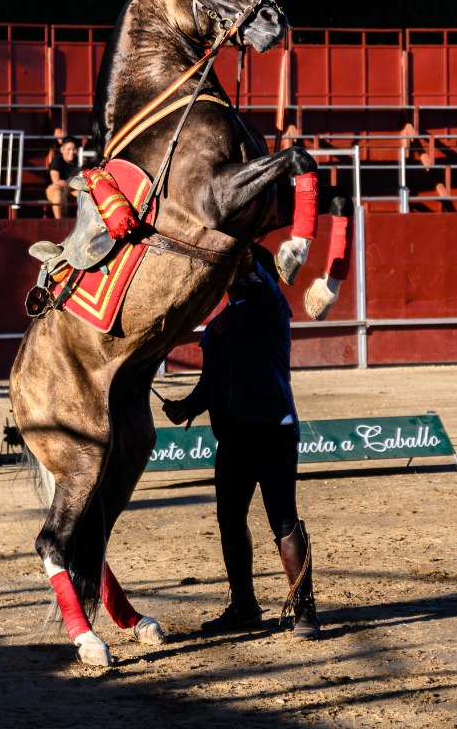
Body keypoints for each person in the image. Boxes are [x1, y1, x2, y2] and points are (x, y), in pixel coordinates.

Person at [162, 245, 320, 641]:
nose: (230, 279)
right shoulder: (221, 323)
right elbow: (210, 381)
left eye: (238, 272)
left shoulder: (272, 304)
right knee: (230, 520)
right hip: (232, 434)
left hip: (272, 431)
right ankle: (244, 606)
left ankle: (305, 611)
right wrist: (188, 407)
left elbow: (263, 279)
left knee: (283, 519)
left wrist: (247, 255)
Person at [46, 137, 80, 218]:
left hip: (72, 190)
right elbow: (56, 181)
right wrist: (75, 184)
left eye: (74, 149)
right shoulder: (57, 160)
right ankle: (59, 222)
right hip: (57, 189)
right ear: (62, 150)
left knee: (86, 196)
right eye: (68, 149)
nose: (71, 152)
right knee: (57, 195)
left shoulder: (79, 161)